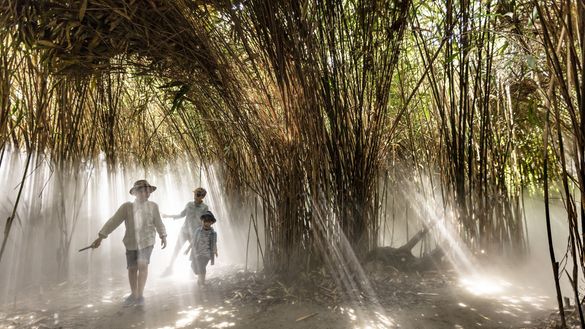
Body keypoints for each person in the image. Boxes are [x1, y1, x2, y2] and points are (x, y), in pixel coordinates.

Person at [90, 180, 167, 307]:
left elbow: (158, 222)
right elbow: (114, 221)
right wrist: (101, 237)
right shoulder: (127, 207)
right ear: (135, 193)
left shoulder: (153, 206)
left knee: (143, 265)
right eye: (141, 191)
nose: (145, 193)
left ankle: (140, 295)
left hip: (148, 241)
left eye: (147, 191)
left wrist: (163, 235)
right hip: (131, 242)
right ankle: (134, 293)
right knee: (132, 268)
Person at [161, 187, 208, 276]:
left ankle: (192, 272)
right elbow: (181, 214)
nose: (195, 196)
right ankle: (170, 268)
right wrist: (168, 216)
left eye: (197, 194)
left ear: (202, 196)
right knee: (176, 249)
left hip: (195, 233)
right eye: (194, 194)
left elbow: (205, 222)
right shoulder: (189, 204)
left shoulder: (205, 208)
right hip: (184, 231)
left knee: (195, 252)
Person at [190, 210, 218, 286]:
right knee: (193, 266)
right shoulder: (198, 231)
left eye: (208, 222)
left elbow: (214, 243)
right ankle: (200, 279)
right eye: (205, 221)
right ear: (202, 221)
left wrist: (215, 250)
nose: (206, 223)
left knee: (201, 266)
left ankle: (202, 282)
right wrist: (187, 249)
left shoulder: (213, 233)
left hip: (207, 254)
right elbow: (193, 240)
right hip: (198, 252)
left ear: (212, 222)